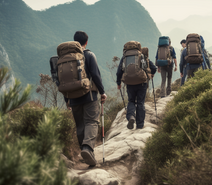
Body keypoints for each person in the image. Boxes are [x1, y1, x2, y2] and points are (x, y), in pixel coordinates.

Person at [65, 31, 107, 166]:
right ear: (86, 42)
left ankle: (86, 153)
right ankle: (87, 148)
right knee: (91, 122)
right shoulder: (89, 55)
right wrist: (102, 92)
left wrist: (67, 99)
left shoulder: (65, 58)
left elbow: (61, 81)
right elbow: (96, 75)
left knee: (80, 125)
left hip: (73, 97)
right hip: (89, 96)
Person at [116, 45, 156, 130]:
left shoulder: (125, 57)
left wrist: (118, 83)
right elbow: (153, 67)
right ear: (139, 48)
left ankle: (131, 117)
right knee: (140, 103)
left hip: (130, 83)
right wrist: (151, 74)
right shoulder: (141, 56)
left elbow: (119, 71)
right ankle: (140, 125)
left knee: (131, 101)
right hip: (142, 83)